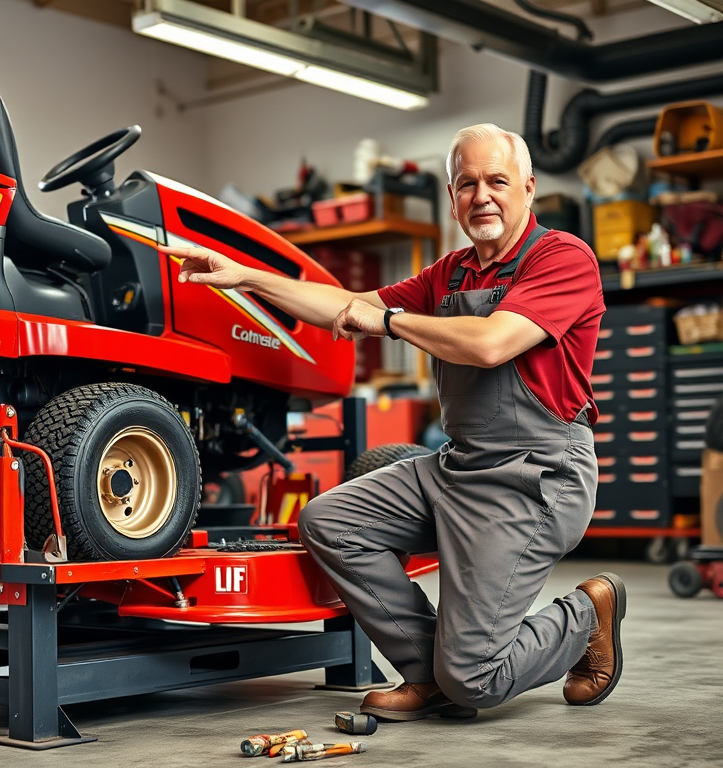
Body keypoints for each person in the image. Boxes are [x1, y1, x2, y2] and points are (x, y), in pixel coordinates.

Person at [159, 124, 623, 721]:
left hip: (535, 476)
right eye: (467, 184)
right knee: (330, 520)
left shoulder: (563, 258)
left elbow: (489, 343)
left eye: (497, 181)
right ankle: (429, 673)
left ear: (528, 190)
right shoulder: (449, 274)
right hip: (459, 465)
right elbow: (346, 305)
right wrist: (244, 275)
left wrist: (391, 321)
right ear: (453, 198)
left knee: (477, 682)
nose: (482, 196)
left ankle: (587, 614)